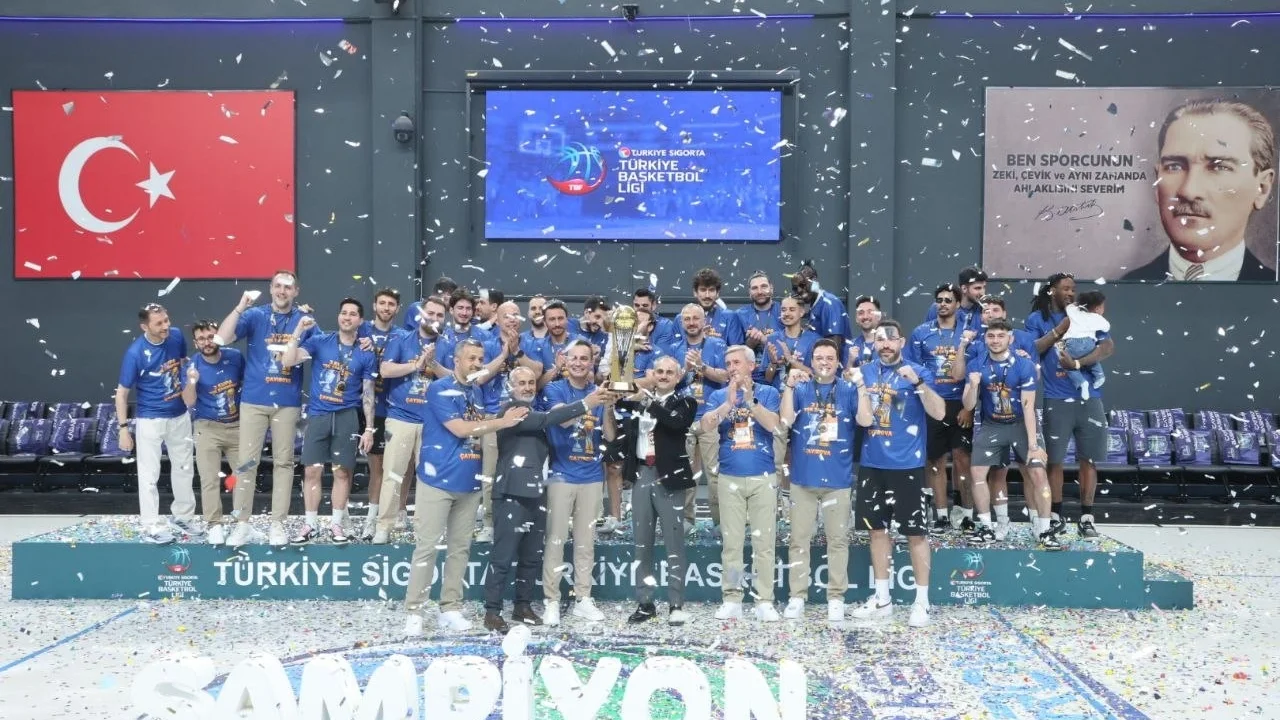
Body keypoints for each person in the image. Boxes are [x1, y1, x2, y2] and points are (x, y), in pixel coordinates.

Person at [403, 339, 528, 636]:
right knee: (427, 548)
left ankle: (450, 607)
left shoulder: (477, 391)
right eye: (471, 358)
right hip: (437, 481)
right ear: (456, 360)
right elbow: (460, 429)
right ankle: (414, 610)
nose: (477, 363)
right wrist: (503, 422)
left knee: (460, 549)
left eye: (480, 359)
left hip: (469, 482)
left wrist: (501, 419)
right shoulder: (439, 389)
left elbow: (479, 424)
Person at [484, 366, 609, 633]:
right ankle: (492, 611)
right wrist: (586, 403)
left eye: (531, 383)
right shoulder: (512, 410)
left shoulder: (533, 411)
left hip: (537, 493)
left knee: (531, 556)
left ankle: (522, 606)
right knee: (503, 556)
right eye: (522, 383)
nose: (528, 387)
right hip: (512, 494)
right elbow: (547, 420)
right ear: (511, 387)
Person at [849, 319, 945, 628]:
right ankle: (882, 599)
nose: (886, 344)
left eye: (891, 339)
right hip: (872, 464)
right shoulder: (864, 372)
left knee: (915, 534)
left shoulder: (918, 371)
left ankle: (922, 601)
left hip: (907, 466)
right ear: (873, 343)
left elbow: (940, 412)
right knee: (877, 532)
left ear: (902, 342)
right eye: (880, 339)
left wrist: (918, 384)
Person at [1125, 99, 1277, 282]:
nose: (1189, 191)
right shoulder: (1125, 286)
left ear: (1262, 189)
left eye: (1220, 167)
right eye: (1174, 166)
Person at [216, 270, 315, 547]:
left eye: (288, 287)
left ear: (296, 292)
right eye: (278, 286)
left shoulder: (305, 320)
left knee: (284, 463)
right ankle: (242, 524)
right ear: (271, 288)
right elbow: (221, 339)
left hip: (287, 403)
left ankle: (277, 524)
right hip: (254, 400)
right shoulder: (255, 315)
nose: (282, 291)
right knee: (246, 463)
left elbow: (301, 356)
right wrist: (240, 307)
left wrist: (300, 332)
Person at [279, 299, 378, 544]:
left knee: (342, 472)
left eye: (353, 314)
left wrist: (368, 428)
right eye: (343, 312)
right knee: (312, 470)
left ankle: (336, 524)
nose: (347, 317)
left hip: (347, 416)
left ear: (360, 320)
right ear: (338, 316)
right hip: (319, 414)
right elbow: (287, 361)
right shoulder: (319, 341)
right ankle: (310, 524)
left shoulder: (366, 352)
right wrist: (298, 330)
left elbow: (368, 393)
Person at [1025, 273, 1115, 538]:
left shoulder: (1084, 314)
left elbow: (1107, 347)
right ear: (1051, 291)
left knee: (1089, 460)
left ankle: (1086, 517)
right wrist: (1059, 331)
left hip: (1090, 399)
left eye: (1073, 289)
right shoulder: (1037, 319)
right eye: (1065, 289)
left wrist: (1078, 363)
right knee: (1055, 461)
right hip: (1056, 398)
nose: (1071, 293)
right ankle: (1055, 516)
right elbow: (1032, 349)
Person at [960, 319, 1060, 548]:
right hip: (992, 425)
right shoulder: (976, 364)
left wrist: (1033, 445)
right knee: (977, 472)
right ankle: (987, 527)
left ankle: (1045, 530)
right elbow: (968, 405)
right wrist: (973, 386)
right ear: (985, 339)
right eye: (991, 336)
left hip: (1021, 424)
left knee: (1038, 473)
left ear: (1010, 339)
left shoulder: (1024, 365)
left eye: (1000, 336)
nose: (995, 340)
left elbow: (1028, 406)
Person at [701, 345, 783, 622]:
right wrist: (728, 402)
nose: (731, 368)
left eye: (736, 362)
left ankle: (764, 600)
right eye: (727, 364)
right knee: (732, 544)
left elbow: (773, 425)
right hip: (730, 477)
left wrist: (749, 399)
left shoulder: (768, 392)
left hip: (763, 476)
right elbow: (706, 425)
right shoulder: (717, 394)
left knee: (764, 544)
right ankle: (732, 598)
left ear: (751, 365)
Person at [615, 356, 697, 627]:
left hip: (669, 478)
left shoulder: (686, 402)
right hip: (641, 473)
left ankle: (676, 604)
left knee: (674, 543)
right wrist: (623, 374)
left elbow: (675, 423)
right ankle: (645, 602)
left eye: (669, 372)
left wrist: (648, 401)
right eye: (659, 371)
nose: (663, 376)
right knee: (641, 543)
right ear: (652, 374)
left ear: (678, 376)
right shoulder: (639, 400)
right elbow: (617, 397)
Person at [779, 339, 857, 625]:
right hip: (803, 479)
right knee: (799, 541)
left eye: (830, 358)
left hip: (838, 479)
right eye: (819, 357)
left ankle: (836, 598)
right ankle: (797, 597)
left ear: (837, 361)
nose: (824, 362)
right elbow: (785, 421)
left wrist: (861, 384)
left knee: (838, 541)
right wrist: (788, 387)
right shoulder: (800, 388)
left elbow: (864, 420)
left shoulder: (848, 389)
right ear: (811, 361)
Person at [539, 340, 616, 625]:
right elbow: (561, 419)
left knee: (585, 543)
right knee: (556, 540)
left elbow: (609, 436)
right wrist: (592, 401)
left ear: (591, 362)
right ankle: (551, 600)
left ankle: (583, 598)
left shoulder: (599, 392)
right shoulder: (554, 388)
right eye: (574, 358)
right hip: (561, 475)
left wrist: (608, 407)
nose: (579, 363)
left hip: (592, 476)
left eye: (585, 358)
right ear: (565, 360)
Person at [116, 303, 199, 544]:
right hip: (150, 419)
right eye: (159, 323)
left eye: (166, 320)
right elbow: (121, 394)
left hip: (180, 416)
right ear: (145, 327)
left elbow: (182, 362)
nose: (166, 326)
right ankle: (151, 524)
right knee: (149, 475)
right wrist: (123, 430)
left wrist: (189, 378)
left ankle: (183, 517)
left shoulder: (176, 336)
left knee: (184, 469)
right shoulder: (135, 353)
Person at [372, 295, 446, 543]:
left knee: (428, 478)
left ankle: (424, 528)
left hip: (433, 422)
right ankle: (384, 526)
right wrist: (417, 364)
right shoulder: (400, 338)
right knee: (392, 474)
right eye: (430, 313)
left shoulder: (447, 344)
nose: (434, 318)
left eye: (439, 315)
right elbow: (385, 370)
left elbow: (454, 378)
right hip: (400, 417)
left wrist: (433, 364)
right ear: (421, 315)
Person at [907, 284, 973, 534]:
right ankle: (941, 515)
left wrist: (969, 407)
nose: (943, 304)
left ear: (957, 304)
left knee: (962, 459)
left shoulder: (968, 333)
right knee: (935, 461)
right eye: (939, 300)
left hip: (960, 403)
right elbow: (912, 369)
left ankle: (966, 514)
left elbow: (975, 372)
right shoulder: (920, 332)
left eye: (948, 300)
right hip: (932, 402)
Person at [181, 320, 244, 546]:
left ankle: (241, 523)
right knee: (209, 479)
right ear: (195, 343)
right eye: (201, 339)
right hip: (207, 427)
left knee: (242, 478)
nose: (207, 342)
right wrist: (192, 382)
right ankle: (214, 524)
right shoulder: (192, 366)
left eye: (210, 337)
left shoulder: (235, 357)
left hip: (237, 426)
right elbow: (189, 401)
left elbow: (248, 384)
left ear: (218, 336)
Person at [669, 303, 730, 528]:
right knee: (685, 472)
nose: (692, 323)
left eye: (696, 318)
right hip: (683, 419)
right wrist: (686, 368)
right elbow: (667, 382)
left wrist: (701, 366)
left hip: (710, 418)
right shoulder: (674, 348)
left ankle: (720, 521)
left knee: (714, 473)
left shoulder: (717, 345)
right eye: (687, 319)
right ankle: (687, 520)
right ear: (681, 322)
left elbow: (725, 376)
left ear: (705, 321)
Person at [357, 288, 402, 540]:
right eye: (382, 303)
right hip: (360, 407)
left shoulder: (402, 336)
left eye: (391, 304)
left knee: (387, 470)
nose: (386, 307)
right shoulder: (360, 329)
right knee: (353, 469)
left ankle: (381, 518)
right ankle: (356, 519)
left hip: (390, 409)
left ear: (397, 309)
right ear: (374, 306)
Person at [789, 261, 853, 356]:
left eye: (802, 285)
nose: (799, 290)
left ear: (814, 281)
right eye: (795, 288)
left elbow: (834, 347)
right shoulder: (813, 305)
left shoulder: (830, 303)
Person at [737, 271, 783, 383]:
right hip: (749, 377)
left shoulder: (784, 311)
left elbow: (791, 345)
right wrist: (750, 344)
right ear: (749, 292)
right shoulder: (740, 314)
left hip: (779, 375)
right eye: (755, 288)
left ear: (771, 288)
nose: (760, 292)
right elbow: (735, 353)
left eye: (764, 286)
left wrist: (764, 339)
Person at [1062, 291, 1109, 399]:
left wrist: (1077, 304)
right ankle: (1099, 375)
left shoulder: (1073, 311)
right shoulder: (1098, 318)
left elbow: (1069, 306)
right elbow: (1107, 327)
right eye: (1103, 307)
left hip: (1073, 344)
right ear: (1097, 309)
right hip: (1089, 343)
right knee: (1091, 359)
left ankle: (1081, 382)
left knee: (1067, 364)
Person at [691, 268, 746, 346]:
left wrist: (718, 343)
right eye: (703, 290)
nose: (707, 295)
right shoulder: (681, 319)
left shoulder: (730, 317)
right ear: (695, 292)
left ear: (717, 293)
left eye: (711, 290)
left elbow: (738, 351)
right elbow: (676, 350)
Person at [925, 266, 987, 334]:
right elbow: (927, 334)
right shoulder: (940, 307)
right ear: (964, 288)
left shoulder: (985, 309)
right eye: (978, 288)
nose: (982, 293)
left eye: (984, 287)